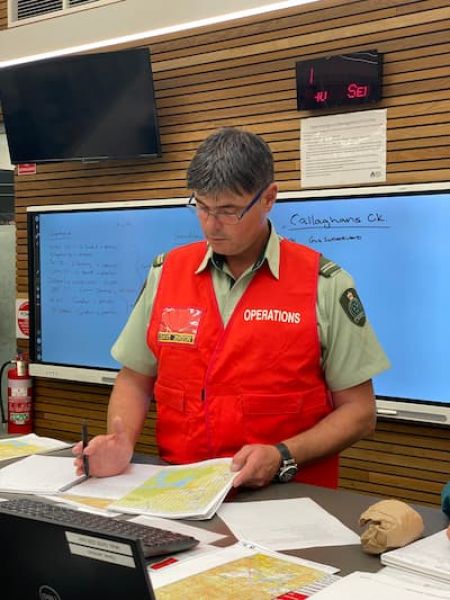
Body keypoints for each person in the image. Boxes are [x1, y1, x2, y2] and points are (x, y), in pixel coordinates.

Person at [73, 127, 390, 489]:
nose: (211, 225)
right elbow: (135, 377)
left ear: (268, 198)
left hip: (288, 497)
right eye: (202, 207)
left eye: (229, 211)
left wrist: (282, 455)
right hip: (180, 490)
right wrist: (122, 440)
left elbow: (360, 413)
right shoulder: (167, 274)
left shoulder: (323, 284)